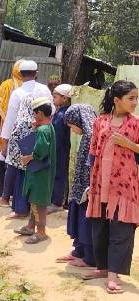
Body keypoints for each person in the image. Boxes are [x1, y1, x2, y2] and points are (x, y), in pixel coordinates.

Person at [82, 81, 139, 294]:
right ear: (117, 100)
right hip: (100, 184)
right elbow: (93, 153)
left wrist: (129, 144)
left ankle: (113, 276)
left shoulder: (136, 124)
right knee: (100, 228)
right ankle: (103, 268)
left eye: (136, 98)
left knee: (120, 229)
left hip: (124, 187)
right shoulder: (100, 122)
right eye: (131, 98)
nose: (135, 102)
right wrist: (90, 184)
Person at [0, 60, 54, 219]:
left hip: (22, 136)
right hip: (42, 132)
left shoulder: (17, 93)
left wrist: (5, 141)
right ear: (36, 73)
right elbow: (53, 110)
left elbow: (10, 118)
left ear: (20, 75)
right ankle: (35, 210)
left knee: (20, 172)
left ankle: (20, 209)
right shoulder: (44, 90)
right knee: (37, 170)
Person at [56, 104, 97, 268]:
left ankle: (89, 258)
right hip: (80, 187)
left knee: (85, 221)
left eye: (72, 126)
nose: (72, 130)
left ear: (79, 121)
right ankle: (78, 251)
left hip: (87, 189)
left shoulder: (92, 136)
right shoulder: (87, 135)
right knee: (78, 219)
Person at [15, 97, 56, 244]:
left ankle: (41, 231)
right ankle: (31, 226)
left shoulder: (43, 130)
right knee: (35, 198)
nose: (34, 116)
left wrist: (28, 158)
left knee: (39, 201)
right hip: (41, 171)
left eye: (34, 113)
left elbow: (41, 151)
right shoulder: (47, 126)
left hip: (40, 171)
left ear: (39, 113)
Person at [0, 60, 24, 206]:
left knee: (1, 158)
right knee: (17, 161)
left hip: (6, 127)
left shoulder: (6, 85)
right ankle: (13, 194)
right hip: (22, 130)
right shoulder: (29, 87)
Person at [49, 83, 73, 213]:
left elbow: (59, 136)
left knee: (59, 175)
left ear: (64, 98)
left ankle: (57, 202)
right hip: (59, 148)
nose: (53, 99)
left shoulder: (64, 114)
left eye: (55, 96)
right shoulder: (61, 113)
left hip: (60, 149)